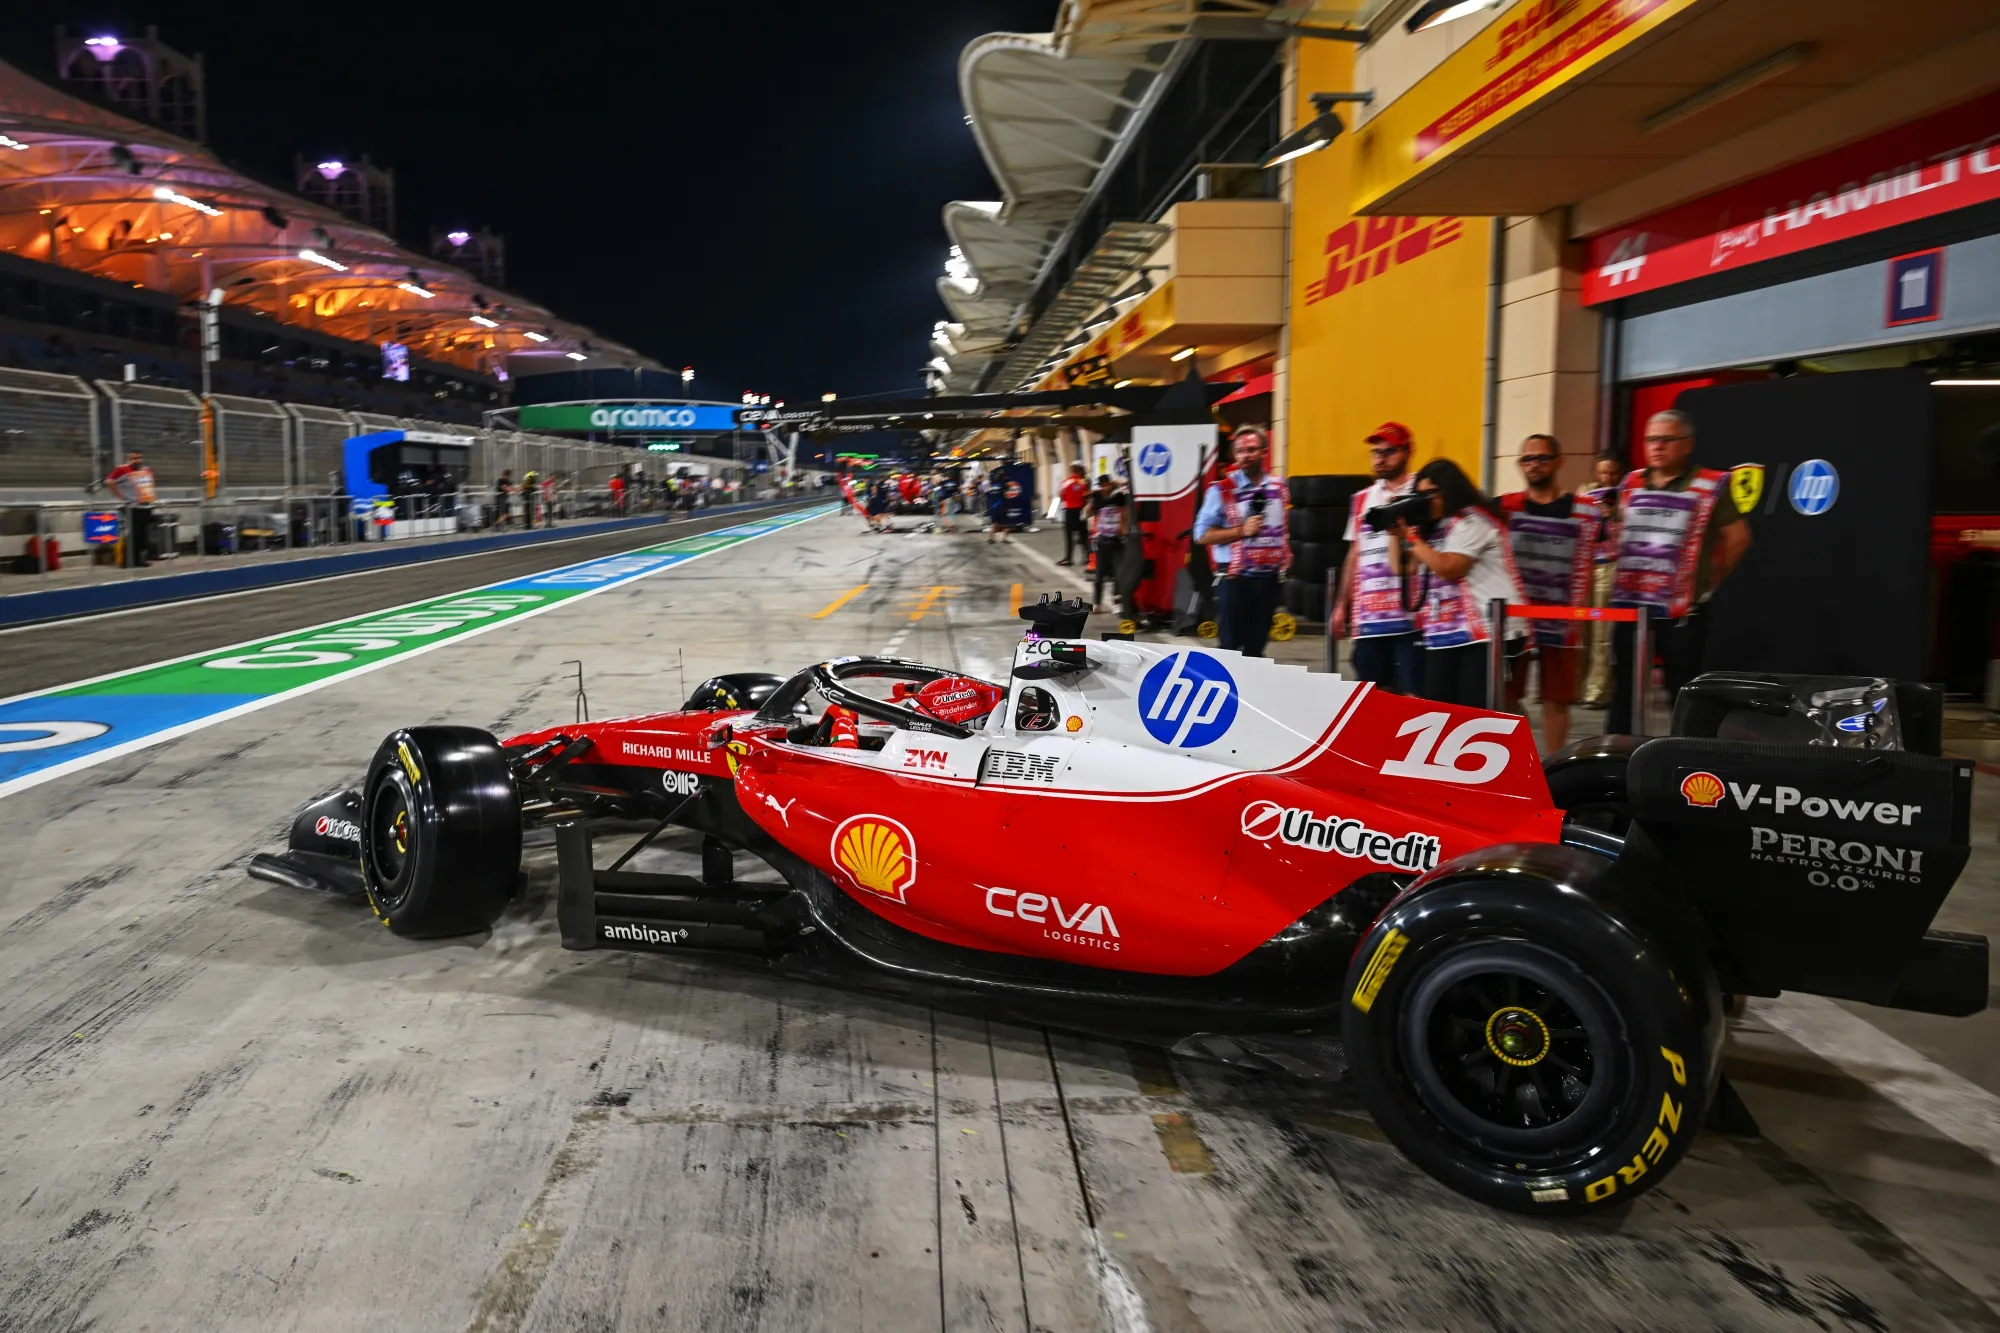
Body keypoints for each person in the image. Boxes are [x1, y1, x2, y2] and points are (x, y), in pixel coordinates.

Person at [1606, 409, 1753, 734]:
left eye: (1666, 440)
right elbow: (1617, 532)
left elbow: (1739, 537)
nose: (1657, 446)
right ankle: (1617, 763)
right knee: (1625, 691)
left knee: (1684, 691)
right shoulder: (1630, 483)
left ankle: (1688, 761)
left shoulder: (1711, 484)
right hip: (1631, 608)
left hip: (1683, 611)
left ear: (1688, 444)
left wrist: (1711, 580)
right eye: (1651, 440)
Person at [1394, 458, 1527, 708]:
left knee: (1478, 710)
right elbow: (1401, 567)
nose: (1424, 500)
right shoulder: (1433, 528)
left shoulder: (1473, 521)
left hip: (1487, 630)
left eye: (1431, 493)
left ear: (1450, 490)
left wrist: (1410, 537)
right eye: (1419, 494)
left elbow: (1449, 569)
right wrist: (1395, 531)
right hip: (1446, 630)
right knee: (1441, 709)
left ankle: (1512, 746)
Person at [1498, 435, 1600, 751]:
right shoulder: (1504, 507)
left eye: (1541, 458)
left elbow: (1611, 547)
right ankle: (1517, 758)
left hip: (1562, 616)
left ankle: (1554, 767)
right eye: (1527, 459)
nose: (1534, 465)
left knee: (1557, 697)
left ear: (1558, 461)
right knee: (1505, 694)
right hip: (1515, 618)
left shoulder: (1586, 511)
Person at [1332, 424, 1422, 692]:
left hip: (1413, 617)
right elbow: (1354, 553)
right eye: (1375, 452)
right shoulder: (1361, 499)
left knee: (1416, 695)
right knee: (1372, 697)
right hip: (1370, 617)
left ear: (1407, 452)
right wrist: (1341, 605)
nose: (1380, 458)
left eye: (1389, 452)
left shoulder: (1422, 492)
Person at [1193, 426, 1287, 658]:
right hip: (1235, 581)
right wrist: (1242, 531)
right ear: (1234, 455)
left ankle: (1253, 693)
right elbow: (1201, 534)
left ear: (1264, 451)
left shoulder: (1279, 487)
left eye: (1253, 449)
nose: (1247, 455)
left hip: (1269, 579)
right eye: (1241, 450)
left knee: (1257, 647)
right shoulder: (1221, 490)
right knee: (1230, 649)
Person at [1579, 452, 1624, 708]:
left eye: (1612, 473)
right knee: (1580, 630)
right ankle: (1575, 686)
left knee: (1601, 632)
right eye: (1603, 472)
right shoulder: (1585, 495)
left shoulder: (1627, 496)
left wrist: (1613, 513)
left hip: (1609, 565)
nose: (1607, 477)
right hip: (1584, 566)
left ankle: (1597, 691)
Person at [102, 449, 157, 568]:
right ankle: (127, 561)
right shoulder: (122, 469)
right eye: (134, 458)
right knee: (134, 534)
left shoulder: (146, 470)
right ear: (128, 459)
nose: (137, 460)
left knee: (143, 535)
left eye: (139, 458)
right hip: (132, 506)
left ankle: (139, 560)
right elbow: (110, 481)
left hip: (146, 505)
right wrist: (120, 497)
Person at [1087, 474, 1128, 611]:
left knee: (1118, 572)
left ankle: (1116, 601)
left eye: (1107, 484)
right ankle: (1097, 603)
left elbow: (1125, 513)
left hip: (1116, 539)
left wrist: (1120, 482)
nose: (1104, 488)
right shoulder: (1096, 497)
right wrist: (1089, 507)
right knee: (1100, 573)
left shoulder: (1120, 496)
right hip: (1101, 539)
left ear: (1111, 484)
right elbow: (1087, 513)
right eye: (1102, 485)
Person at [1057, 463, 1090, 566]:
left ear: (1072, 471)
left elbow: (1061, 495)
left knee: (1069, 536)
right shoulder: (1084, 482)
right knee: (1083, 535)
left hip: (1070, 510)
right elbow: (1086, 496)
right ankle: (1088, 557)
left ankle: (1068, 558)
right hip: (1081, 510)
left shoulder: (1065, 482)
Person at [987, 478, 1030, 542]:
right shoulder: (1003, 487)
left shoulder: (992, 488)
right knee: (1007, 524)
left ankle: (991, 538)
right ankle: (1003, 539)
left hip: (994, 508)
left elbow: (988, 495)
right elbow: (1006, 492)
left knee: (996, 524)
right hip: (1001, 507)